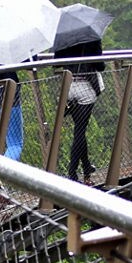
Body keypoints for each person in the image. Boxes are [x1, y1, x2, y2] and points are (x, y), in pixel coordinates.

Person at [54, 38, 105, 181]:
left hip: (69, 86)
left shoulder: (63, 37)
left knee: (79, 131)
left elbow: (57, 62)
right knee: (80, 131)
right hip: (86, 87)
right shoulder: (92, 37)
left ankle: (86, 166)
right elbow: (100, 66)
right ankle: (72, 172)